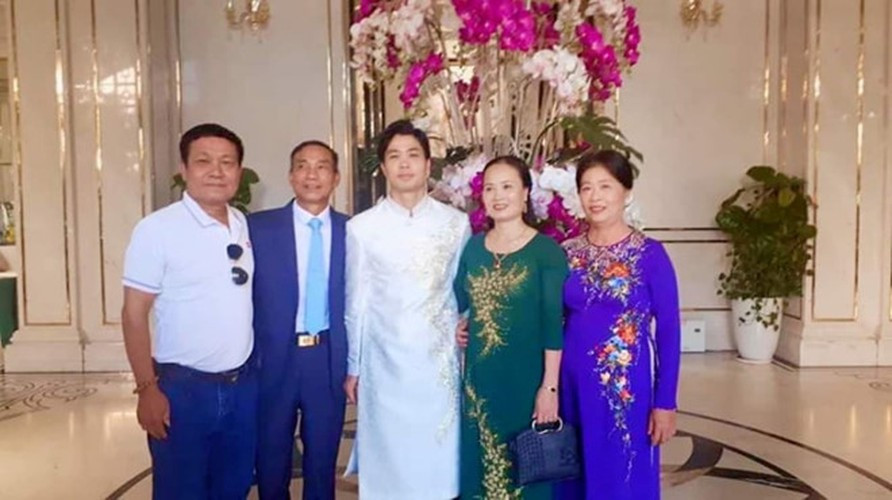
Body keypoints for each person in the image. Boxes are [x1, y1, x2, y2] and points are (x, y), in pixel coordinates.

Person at [121, 123, 257, 499]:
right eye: (203, 161)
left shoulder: (241, 222)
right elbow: (133, 314)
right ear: (184, 169)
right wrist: (147, 389)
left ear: (239, 171)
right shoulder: (157, 229)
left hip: (242, 387)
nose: (217, 171)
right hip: (183, 390)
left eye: (227, 162)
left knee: (233, 488)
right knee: (180, 490)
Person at [343, 119, 470, 499]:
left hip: (439, 363)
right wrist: (354, 366)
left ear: (428, 164)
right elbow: (356, 303)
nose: (404, 164)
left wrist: (464, 330)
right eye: (394, 156)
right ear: (383, 168)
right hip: (384, 362)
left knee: (437, 460)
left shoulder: (456, 223)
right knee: (390, 462)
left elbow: (464, 292)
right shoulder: (363, 228)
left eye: (413, 155)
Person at [555, 150, 680, 500]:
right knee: (574, 478)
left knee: (623, 478)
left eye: (605, 186)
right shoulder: (566, 253)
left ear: (627, 192)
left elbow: (669, 331)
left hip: (625, 390)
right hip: (571, 387)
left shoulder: (650, 254)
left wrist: (665, 403)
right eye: (586, 187)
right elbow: (547, 319)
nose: (595, 197)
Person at [454, 155, 568, 499]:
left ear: (526, 193)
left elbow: (553, 324)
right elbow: (459, 301)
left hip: (527, 381)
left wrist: (549, 388)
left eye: (507, 187)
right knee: (481, 468)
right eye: (490, 188)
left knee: (526, 472)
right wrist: (460, 324)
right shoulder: (474, 247)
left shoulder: (546, 251)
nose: (498, 196)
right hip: (480, 383)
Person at [250, 140, 348, 500]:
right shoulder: (258, 228)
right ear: (291, 176)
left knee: (322, 458)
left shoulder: (354, 231)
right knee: (270, 454)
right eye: (303, 166)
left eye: (322, 166)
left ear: (335, 177)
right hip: (274, 356)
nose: (312, 174)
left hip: (327, 357)